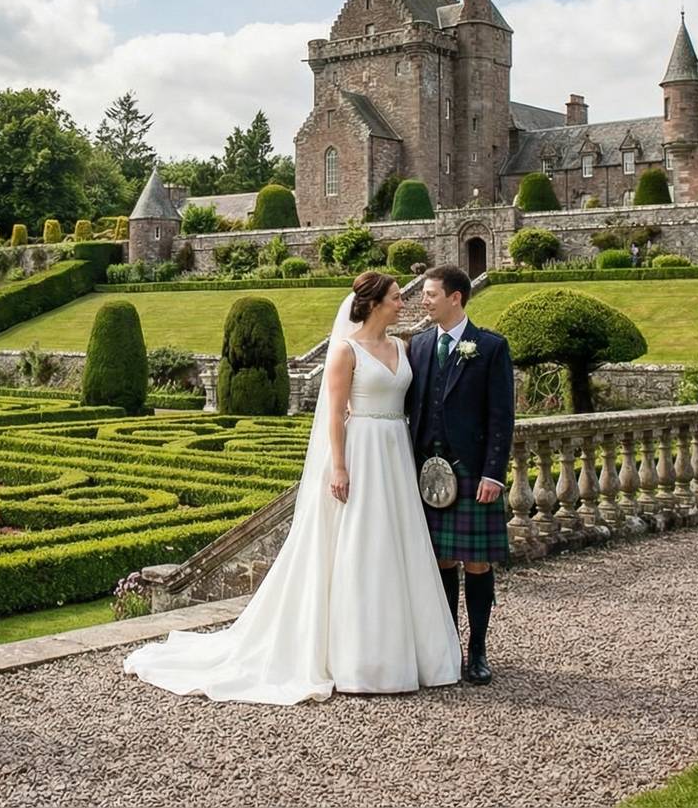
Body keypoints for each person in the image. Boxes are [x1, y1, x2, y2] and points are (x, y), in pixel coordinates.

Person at [122, 271, 462, 704]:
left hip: (396, 452)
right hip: (360, 451)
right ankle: (361, 659)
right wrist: (338, 467)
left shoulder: (402, 346)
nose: (403, 303)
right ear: (374, 303)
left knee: (398, 546)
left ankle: (411, 653)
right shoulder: (345, 351)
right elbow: (335, 414)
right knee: (361, 546)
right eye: (396, 298)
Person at [406, 265, 515, 684]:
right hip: (426, 474)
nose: (424, 300)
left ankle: (479, 649)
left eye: (431, 294)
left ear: (456, 297)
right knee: (441, 559)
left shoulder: (489, 347)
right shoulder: (416, 346)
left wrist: (494, 474)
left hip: (471, 472)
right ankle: (449, 645)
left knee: (477, 563)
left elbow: (502, 416)